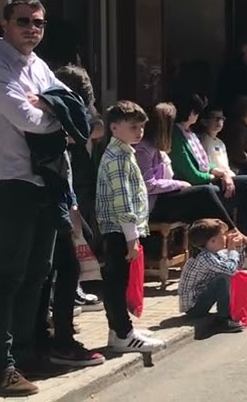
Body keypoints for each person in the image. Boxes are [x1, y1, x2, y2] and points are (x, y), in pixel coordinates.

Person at [0, 0, 76, 394]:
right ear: (5, 24)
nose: (32, 28)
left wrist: (56, 108)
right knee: (8, 274)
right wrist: (57, 112)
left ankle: (25, 352)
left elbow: (77, 109)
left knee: (38, 274)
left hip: (46, 182)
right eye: (23, 21)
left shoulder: (39, 67)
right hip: (11, 180)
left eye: (39, 22)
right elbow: (28, 118)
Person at [96, 101, 167, 354]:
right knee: (116, 283)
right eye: (133, 127)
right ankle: (123, 333)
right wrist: (131, 238)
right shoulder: (117, 157)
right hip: (118, 230)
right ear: (114, 128)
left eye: (141, 127)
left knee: (119, 281)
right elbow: (122, 199)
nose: (139, 132)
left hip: (122, 229)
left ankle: (119, 330)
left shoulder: (125, 152)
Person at [179, 218, 247, 334]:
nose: (225, 237)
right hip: (194, 307)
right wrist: (232, 250)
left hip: (204, 296)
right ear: (212, 241)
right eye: (222, 235)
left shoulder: (216, 253)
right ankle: (223, 319)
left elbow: (236, 268)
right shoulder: (203, 257)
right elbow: (229, 270)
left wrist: (238, 248)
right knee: (223, 278)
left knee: (234, 276)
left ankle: (238, 311)